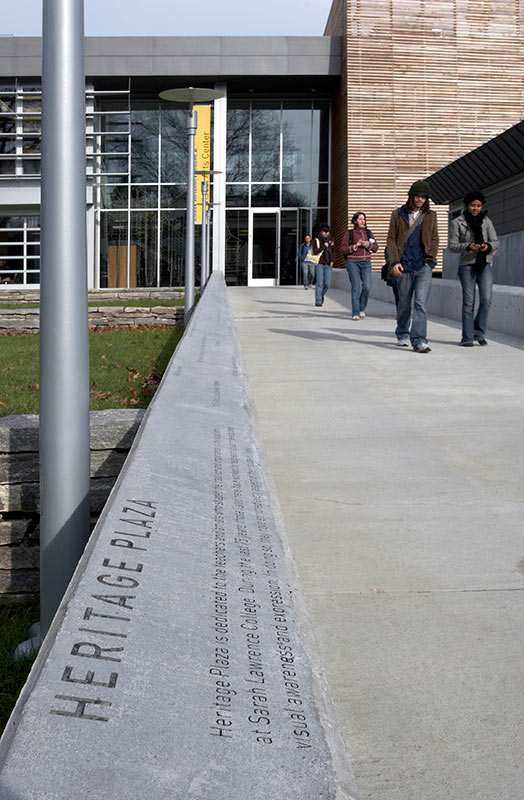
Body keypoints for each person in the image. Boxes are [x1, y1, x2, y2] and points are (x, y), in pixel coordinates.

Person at [387, 180, 439, 353]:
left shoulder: (431, 215)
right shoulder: (397, 214)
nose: (420, 200)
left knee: (420, 303)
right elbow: (391, 240)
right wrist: (394, 262)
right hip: (403, 265)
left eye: (423, 197)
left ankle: (419, 340)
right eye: (417, 196)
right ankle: (402, 333)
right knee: (403, 304)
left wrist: (431, 261)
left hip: (423, 266)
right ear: (411, 196)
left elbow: (434, 238)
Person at [448, 191, 498, 347]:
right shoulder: (457, 222)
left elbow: (495, 241)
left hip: (485, 264)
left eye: (478, 205)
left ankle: (479, 332)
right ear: (467, 206)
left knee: (487, 300)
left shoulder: (486, 221)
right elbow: (452, 246)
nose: (475, 208)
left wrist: (487, 246)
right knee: (468, 303)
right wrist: (468, 246)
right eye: (472, 205)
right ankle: (467, 338)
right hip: (467, 265)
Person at [340, 211, 378, 320]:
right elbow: (343, 249)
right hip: (353, 263)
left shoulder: (369, 233)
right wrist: (355, 246)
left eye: (364, 219)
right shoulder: (349, 233)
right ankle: (355, 313)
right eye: (360, 219)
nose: (362, 221)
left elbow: (376, 248)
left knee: (367, 287)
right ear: (355, 221)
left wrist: (368, 244)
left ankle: (361, 308)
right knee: (356, 288)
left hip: (366, 263)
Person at [313, 225, 335, 307]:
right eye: (325, 231)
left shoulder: (331, 240)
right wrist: (323, 246)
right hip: (319, 263)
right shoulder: (317, 240)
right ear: (321, 232)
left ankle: (321, 295)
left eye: (328, 231)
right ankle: (318, 301)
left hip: (328, 264)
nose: (326, 233)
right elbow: (315, 252)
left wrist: (333, 260)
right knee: (319, 283)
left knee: (327, 284)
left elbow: (334, 251)